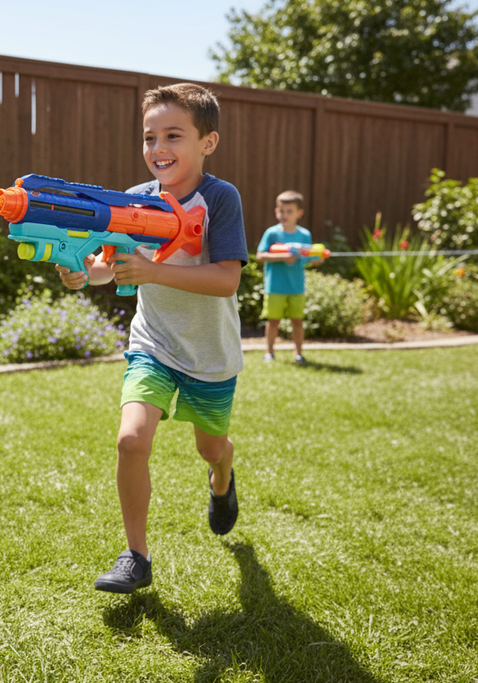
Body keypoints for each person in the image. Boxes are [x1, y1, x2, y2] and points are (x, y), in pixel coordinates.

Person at [56, 83, 249, 594]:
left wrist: (153, 272)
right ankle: (136, 556)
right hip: (153, 344)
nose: (158, 148)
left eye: (173, 136)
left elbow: (226, 279)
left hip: (210, 353)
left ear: (208, 142)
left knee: (210, 447)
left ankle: (223, 477)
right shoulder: (135, 200)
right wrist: (82, 272)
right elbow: (111, 266)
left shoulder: (220, 198)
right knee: (130, 440)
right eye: (149, 137)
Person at [255, 191, 323, 365]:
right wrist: (284, 256)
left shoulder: (304, 235)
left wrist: (317, 260)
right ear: (276, 211)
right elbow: (260, 256)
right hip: (275, 286)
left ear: (299, 213)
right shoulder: (272, 233)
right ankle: (269, 353)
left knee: (298, 321)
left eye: (289, 211)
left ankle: (298, 354)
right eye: (281, 211)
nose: (284, 215)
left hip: (296, 287)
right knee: (273, 321)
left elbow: (307, 260)